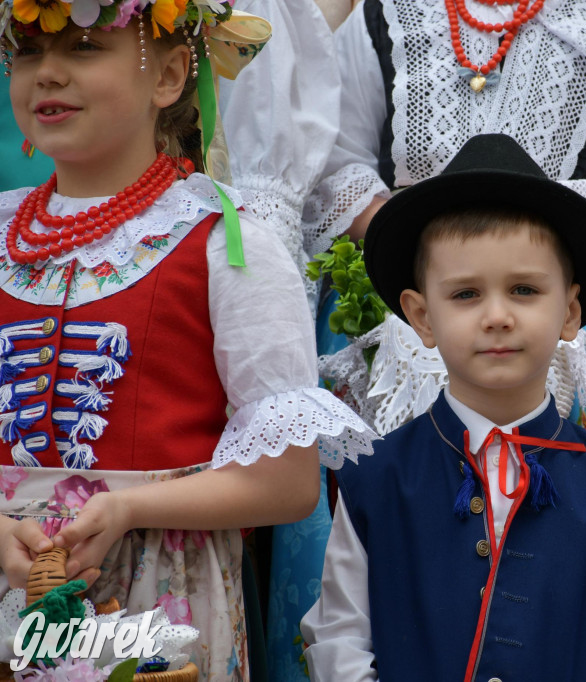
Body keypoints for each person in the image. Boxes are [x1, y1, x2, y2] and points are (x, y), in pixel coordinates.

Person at [305, 2, 586, 673]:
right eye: (466, 297)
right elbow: (341, 641)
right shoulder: (376, 479)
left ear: (571, 313)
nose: (496, 316)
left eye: (523, 291)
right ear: (421, 316)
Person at [0, 3, 377, 680]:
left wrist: (132, 508)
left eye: (84, 48)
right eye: (27, 52)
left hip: (155, 603)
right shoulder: (3, 240)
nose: (47, 73)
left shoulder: (225, 247)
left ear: (170, 75)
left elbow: (289, 484)